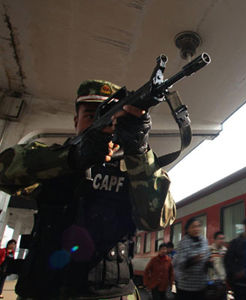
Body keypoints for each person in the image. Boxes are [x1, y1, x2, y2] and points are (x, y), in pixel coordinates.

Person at [0, 79, 174, 299]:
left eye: (112, 116)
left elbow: (157, 219)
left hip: (110, 294)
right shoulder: (51, 161)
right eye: (91, 116)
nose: (101, 124)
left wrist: (139, 151)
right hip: (43, 291)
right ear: (76, 121)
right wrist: (72, 157)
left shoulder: (134, 171)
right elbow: (5, 172)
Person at [173, 217, 210, 300]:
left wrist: (209, 261)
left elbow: (207, 256)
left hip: (201, 285)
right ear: (188, 229)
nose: (196, 229)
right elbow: (180, 264)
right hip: (186, 287)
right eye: (193, 227)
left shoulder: (204, 240)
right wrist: (194, 259)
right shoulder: (183, 242)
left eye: (198, 226)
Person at [224, 216, 246, 300]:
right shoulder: (235, 243)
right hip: (240, 286)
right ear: (245, 227)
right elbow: (228, 262)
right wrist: (237, 273)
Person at [207, 231, 227, 300]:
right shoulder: (209, 249)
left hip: (223, 283)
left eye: (223, 239)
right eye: (220, 239)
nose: (222, 241)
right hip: (212, 283)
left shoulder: (225, 250)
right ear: (215, 239)